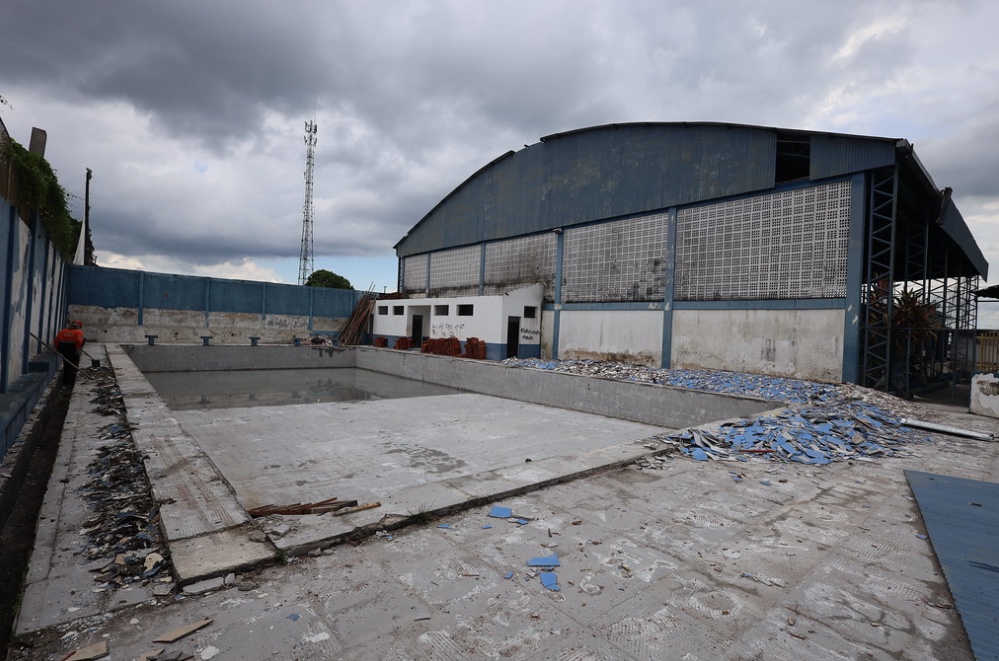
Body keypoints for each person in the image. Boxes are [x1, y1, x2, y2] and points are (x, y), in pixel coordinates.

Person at [54, 320, 86, 386]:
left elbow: (56, 340)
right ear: (79, 326)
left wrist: (58, 349)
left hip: (64, 352)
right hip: (74, 352)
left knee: (66, 366)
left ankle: (65, 381)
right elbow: (79, 341)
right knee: (73, 368)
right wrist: (77, 349)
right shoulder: (78, 332)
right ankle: (70, 383)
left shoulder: (63, 331)